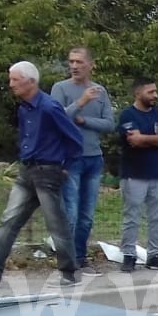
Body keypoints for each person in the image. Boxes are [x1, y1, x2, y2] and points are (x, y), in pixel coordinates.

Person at [0, 61, 82, 288]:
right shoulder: (24, 108)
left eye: (15, 80)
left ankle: (69, 273)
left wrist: (64, 168)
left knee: (56, 224)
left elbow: (75, 140)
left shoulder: (49, 107)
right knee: (8, 220)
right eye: (11, 79)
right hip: (27, 170)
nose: (11, 85)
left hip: (48, 171)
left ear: (31, 81)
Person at [51, 47, 114, 275]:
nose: (74, 66)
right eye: (71, 62)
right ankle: (66, 259)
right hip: (70, 159)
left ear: (90, 65)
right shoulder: (60, 88)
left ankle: (80, 256)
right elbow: (55, 118)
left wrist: (83, 120)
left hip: (94, 159)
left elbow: (109, 124)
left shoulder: (100, 91)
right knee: (71, 213)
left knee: (87, 215)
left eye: (79, 62)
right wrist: (81, 101)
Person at [116, 77, 158, 272]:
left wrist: (145, 138)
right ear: (138, 93)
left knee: (157, 217)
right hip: (134, 174)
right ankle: (129, 255)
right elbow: (134, 141)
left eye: (155, 91)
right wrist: (154, 139)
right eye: (150, 92)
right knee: (132, 216)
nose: (155, 95)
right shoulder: (127, 115)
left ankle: (155, 254)